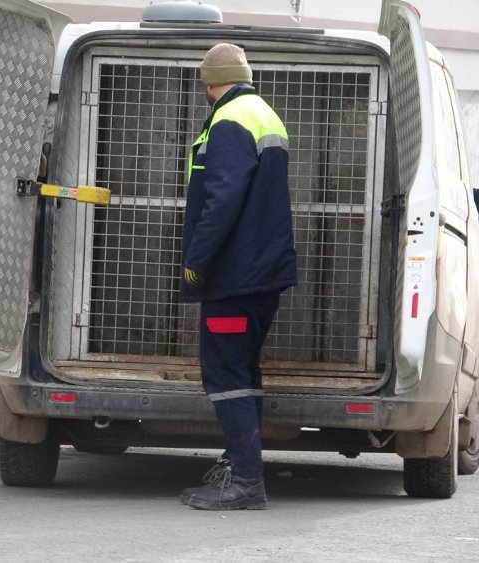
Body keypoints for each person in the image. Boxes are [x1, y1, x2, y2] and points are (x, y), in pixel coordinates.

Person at [178, 43, 297, 510]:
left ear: (209, 83)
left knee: (225, 372)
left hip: (233, 274)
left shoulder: (228, 120)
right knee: (243, 371)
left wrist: (198, 258)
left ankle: (246, 481)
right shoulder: (264, 114)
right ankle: (239, 467)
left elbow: (223, 197)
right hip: (262, 274)